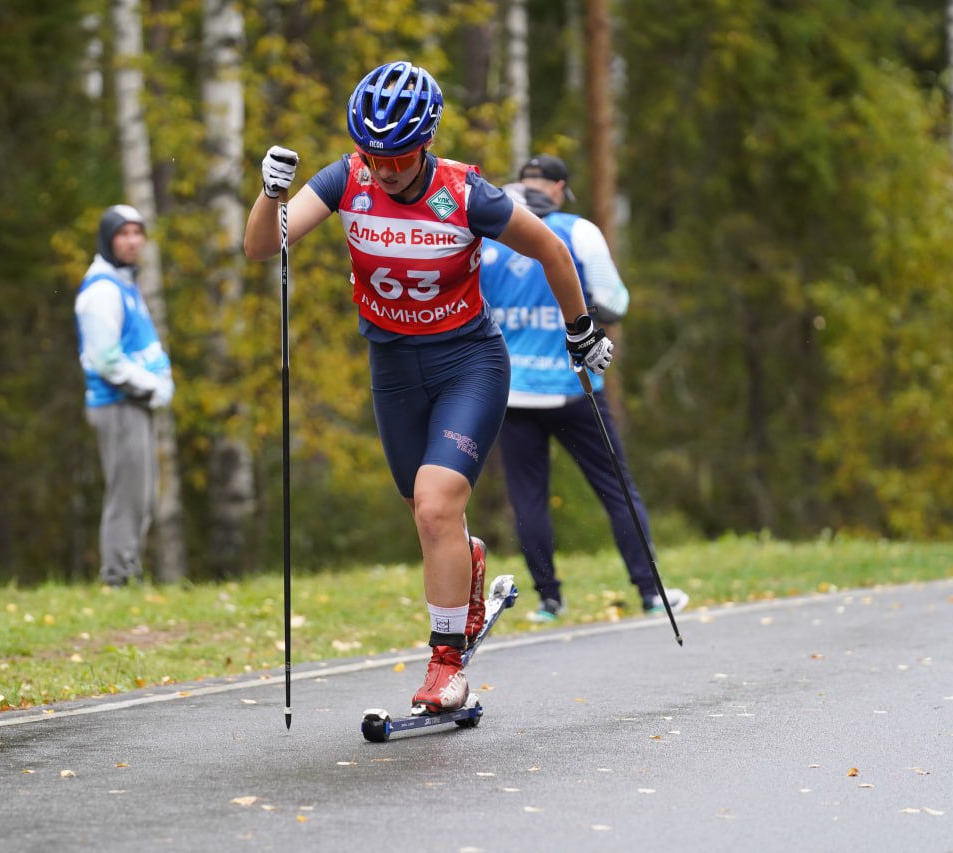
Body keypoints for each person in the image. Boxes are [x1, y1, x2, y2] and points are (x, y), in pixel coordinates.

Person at [243, 62, 613, 715]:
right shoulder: (344, 177)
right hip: (392, 368)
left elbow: (553, 252)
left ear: (427, 141)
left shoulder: (467, 193)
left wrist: (580, 330)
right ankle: (464, 564)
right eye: (373, 155)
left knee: (435, 503)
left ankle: (446, 665)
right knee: (422, 506)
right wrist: (270, 194)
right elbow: (260, 248)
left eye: (399, 156)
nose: (384, 169)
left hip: (468, 362)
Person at [477, 154, 689, 622]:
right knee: (617, 490)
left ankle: (550, 601)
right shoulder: (578, 231)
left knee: (527, 498)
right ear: (557, 188)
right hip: (575, 387)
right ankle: (651, 593)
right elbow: (615, 300)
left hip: (512, 391)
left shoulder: (489, 233)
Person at [75, 204, 174, 587]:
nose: (133, 241)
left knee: (143, 496)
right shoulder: (101, 290)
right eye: (123, 233)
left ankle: (129, 571)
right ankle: (117, 578)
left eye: (138, 232)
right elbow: (105, 359)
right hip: (117, 404)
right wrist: (152, 386)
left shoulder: (124, 283)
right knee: (126, 495)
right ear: (107, 238)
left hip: (135, 404)